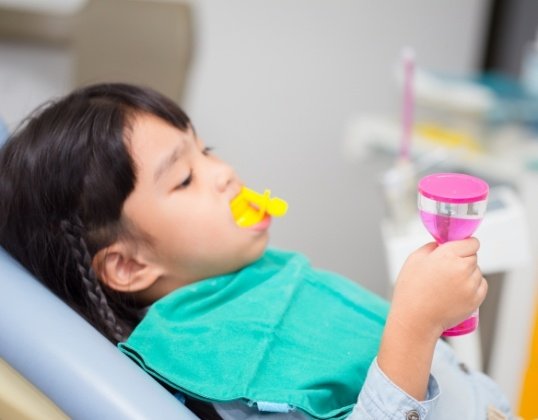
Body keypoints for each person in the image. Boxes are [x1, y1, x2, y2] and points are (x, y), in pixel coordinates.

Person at [0, 83, 514, 419]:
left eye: (207, 151)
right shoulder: (225, 370)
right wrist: (415, 324)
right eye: (184, 178)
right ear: (129, 264)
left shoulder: (252, 281)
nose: (223, 173)